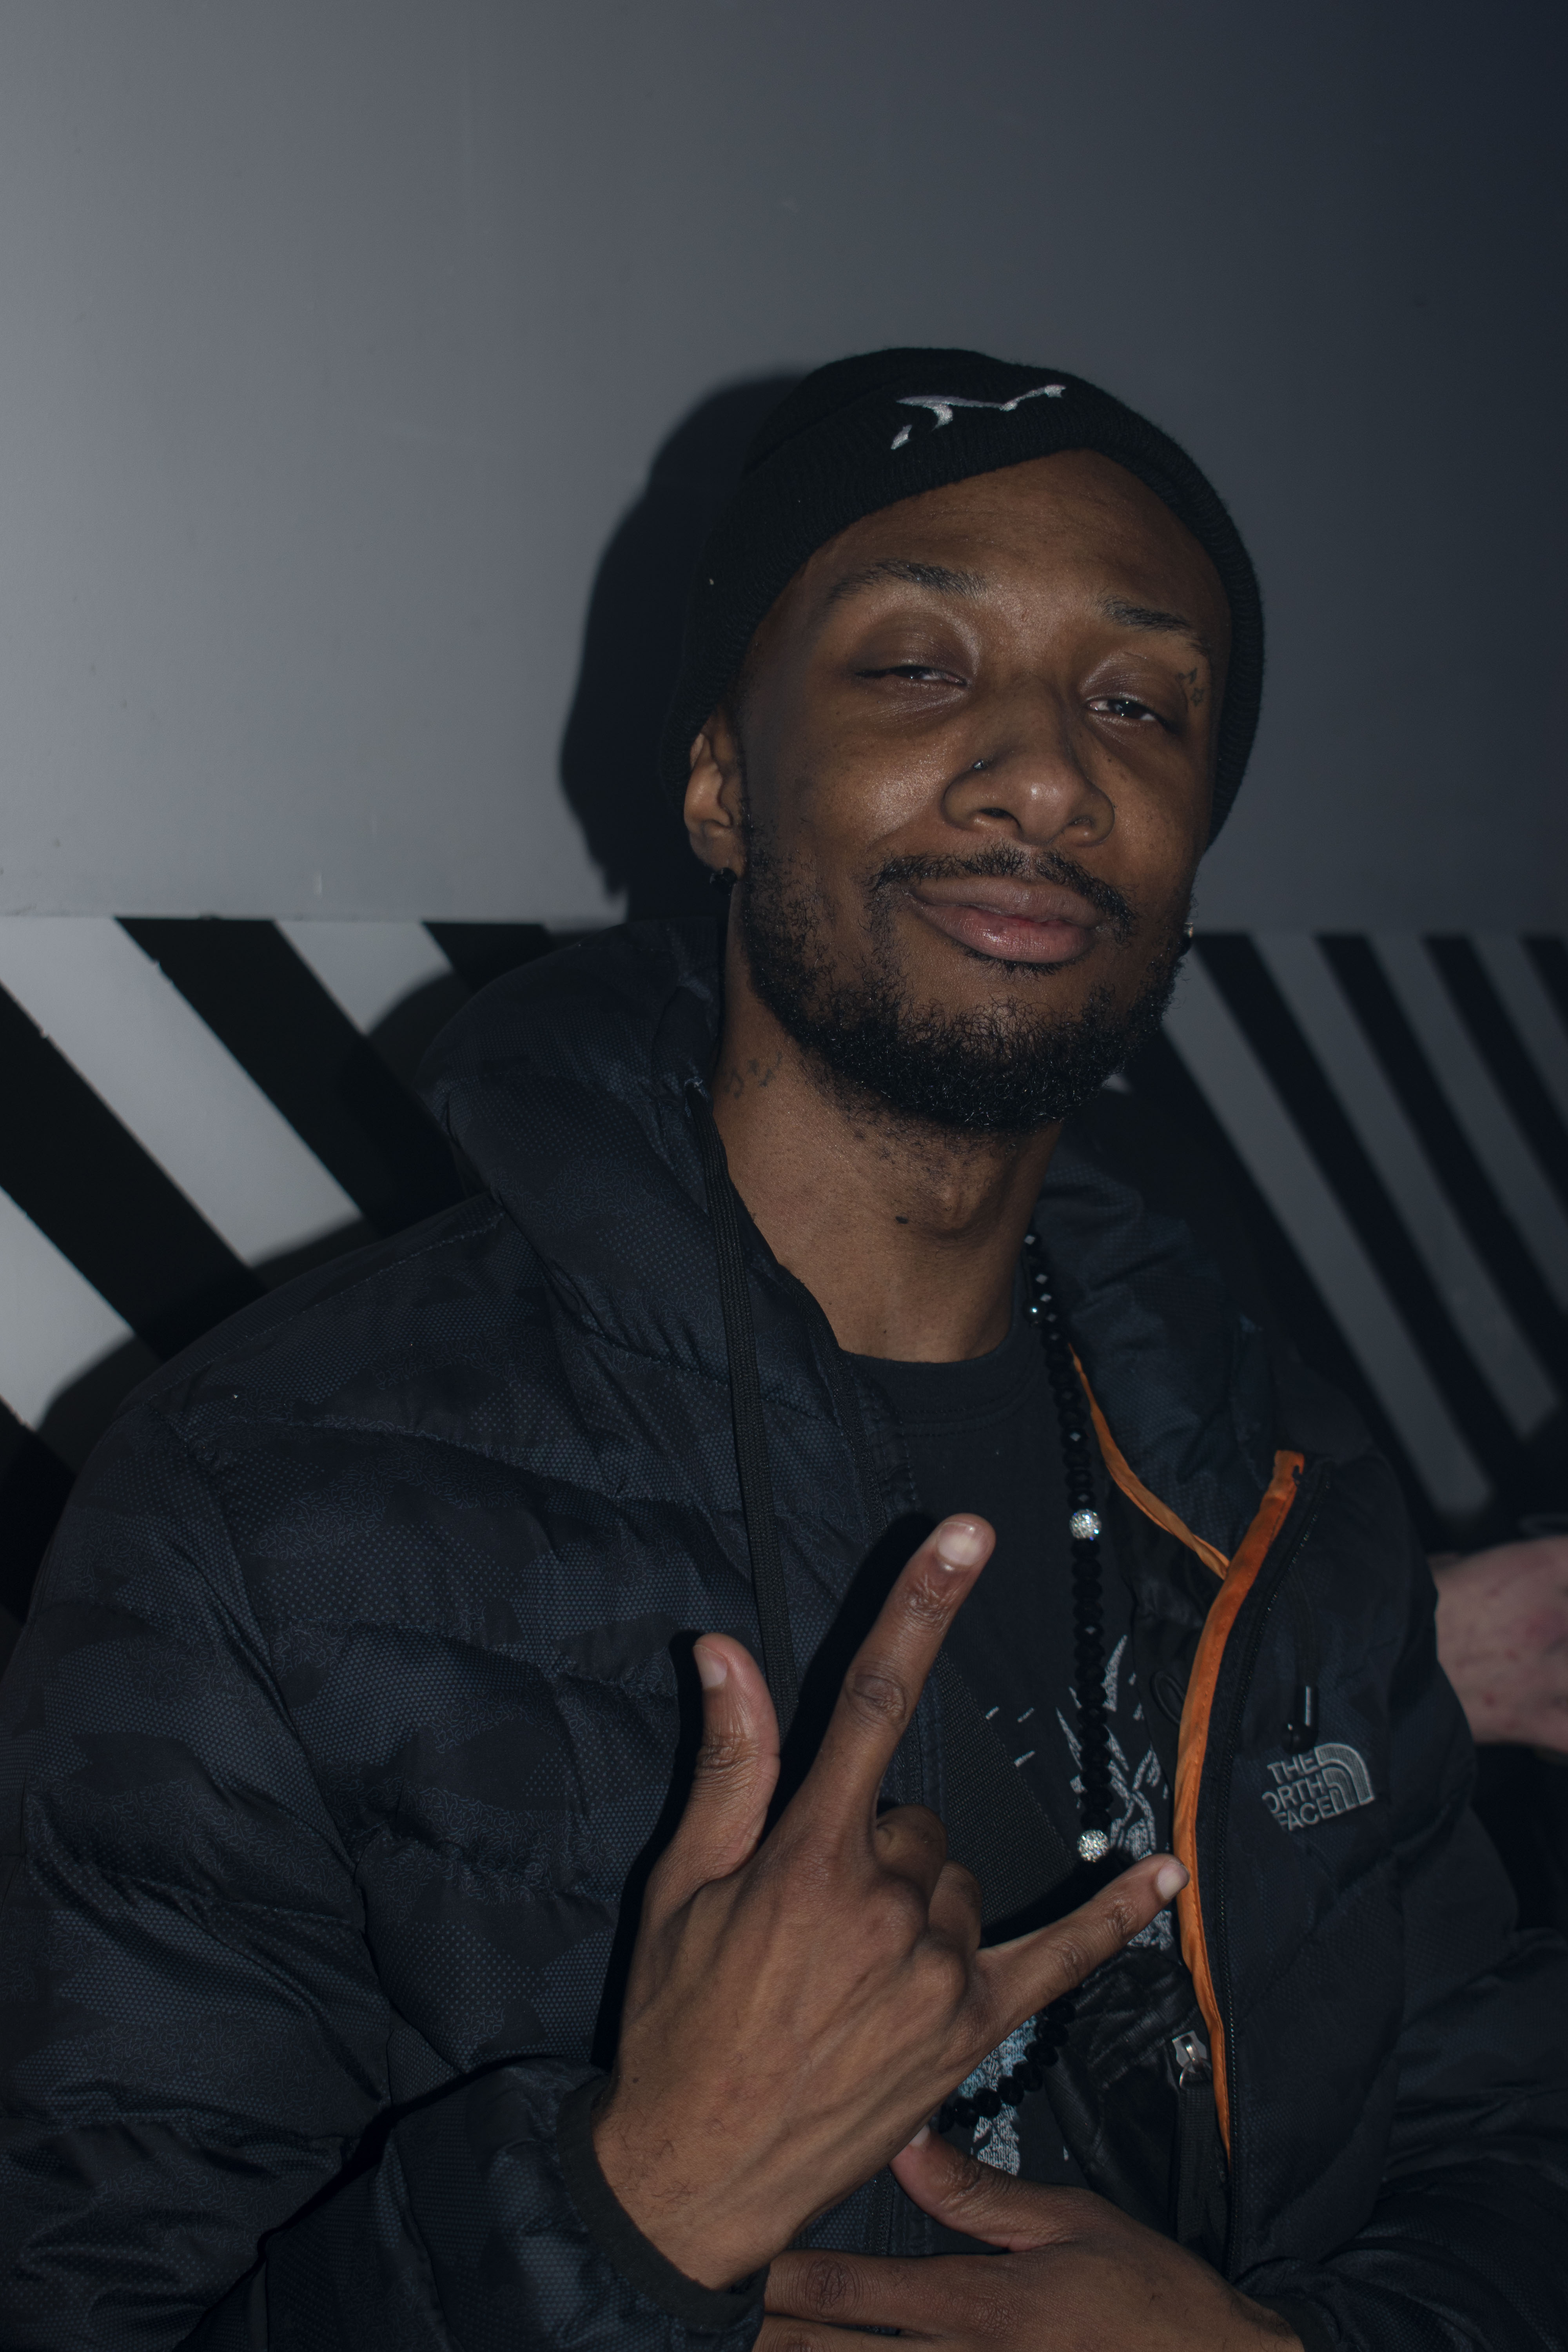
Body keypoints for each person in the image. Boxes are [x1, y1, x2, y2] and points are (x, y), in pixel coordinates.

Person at [2, 349, 1565, 2352]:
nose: (1044, 775)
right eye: (913, 666)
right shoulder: (263, 1501)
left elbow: (1504, 2151)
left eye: (1137, 703)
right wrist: (638, 2203)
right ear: (722, 787)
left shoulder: (1270, 1474)